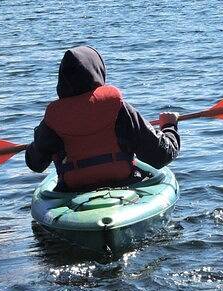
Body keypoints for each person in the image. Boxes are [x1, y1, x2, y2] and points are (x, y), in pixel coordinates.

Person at [25, 46, 180, 190]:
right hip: (124, 185)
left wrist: (36, 142)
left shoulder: (54, 118)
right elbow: (160, 156)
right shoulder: (118, 108)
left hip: (72, 191)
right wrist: (169, 126)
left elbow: (35, 164)